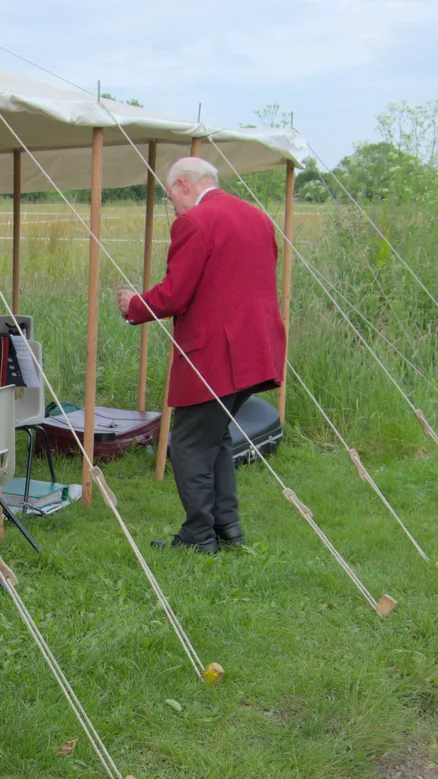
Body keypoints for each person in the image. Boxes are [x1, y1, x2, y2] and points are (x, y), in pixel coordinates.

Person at [117, 156, 286, 554]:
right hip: (258, 350)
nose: (172, 206)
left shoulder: (193, 221)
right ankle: (227, 529)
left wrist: (134, 304)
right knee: (216, 437)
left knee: (188, 443)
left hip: (215, 356)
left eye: (170, 196)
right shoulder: (258, 218)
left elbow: (176, 293)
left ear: (183, 186)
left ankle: (199, 536)